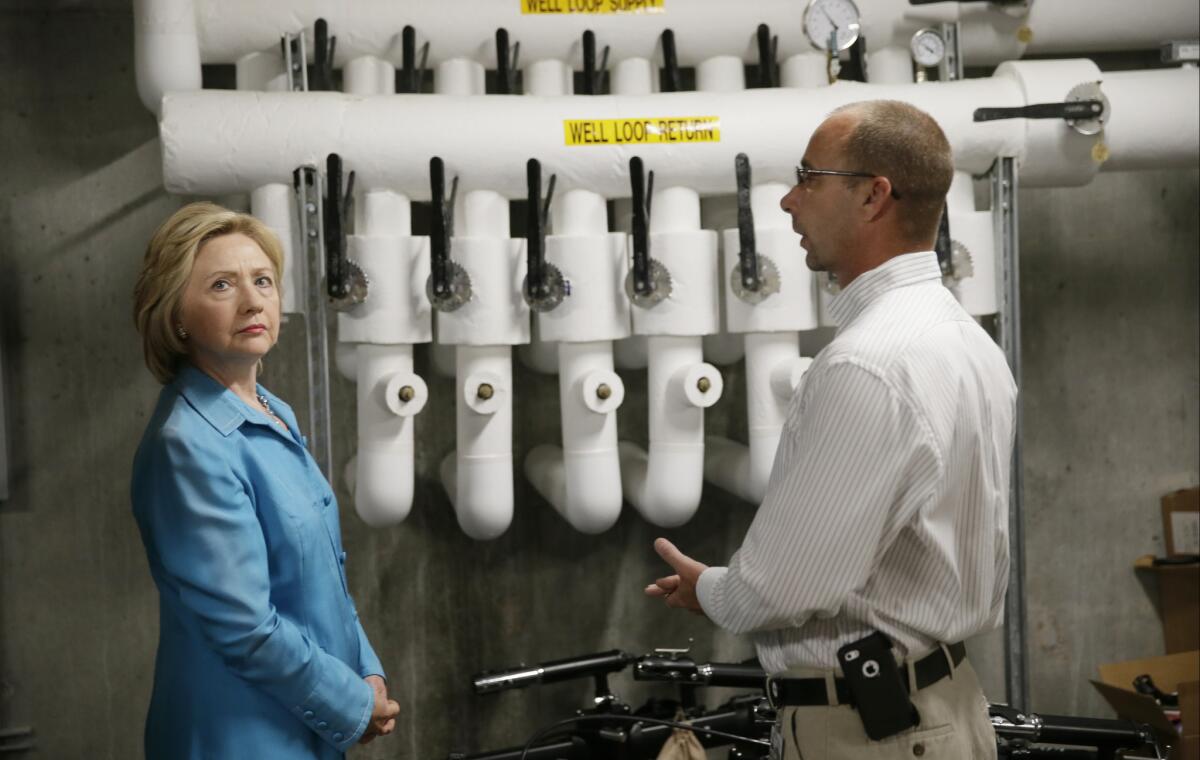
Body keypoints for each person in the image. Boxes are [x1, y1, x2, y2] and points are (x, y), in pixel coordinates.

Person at [645, 100, 1017, 759]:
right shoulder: (965, 338)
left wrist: (711, 589)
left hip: (874, 734)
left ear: (874, 196)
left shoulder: (866, 363)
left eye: (809, 178)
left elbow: (783, 586)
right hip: (941, 709)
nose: (789, 202)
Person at [130, 202, 400, 758]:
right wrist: (349, 703)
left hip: (303, 716)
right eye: (222, 285)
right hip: (241, 735)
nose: (254, 300)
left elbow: (322, 575)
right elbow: (245, 628)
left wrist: (365, 672)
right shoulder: (189, 443)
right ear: (177, 314)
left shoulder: (271, 412)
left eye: (263, 281)